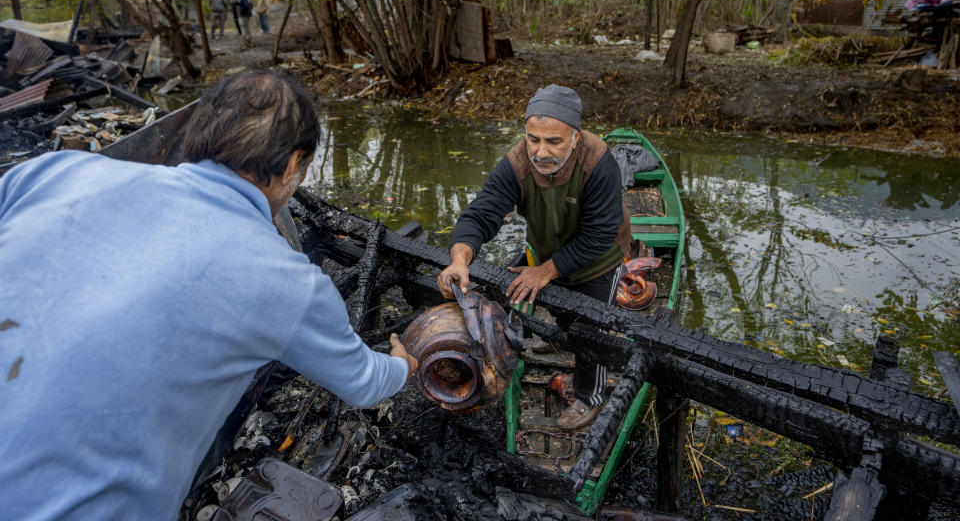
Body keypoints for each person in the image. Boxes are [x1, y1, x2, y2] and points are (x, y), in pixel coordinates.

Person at [0, 70, 417, 520]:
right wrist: (404, 364)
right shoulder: (285, 280)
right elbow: (364, 383)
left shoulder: (53, 172)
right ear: (295, 163)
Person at [437, 84, 629, 431]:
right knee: (555, 303)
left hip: (600, 259)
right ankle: (557, 333)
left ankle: (591, 396)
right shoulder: (517, 162)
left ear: (575, 136)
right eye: (533, 139)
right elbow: (482, 213)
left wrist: (544, 271)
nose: (541, 151)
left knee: (590, 332)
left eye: (553, 141)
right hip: (547, 251)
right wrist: (459, 259)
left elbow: (599, 236)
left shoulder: (599, 162)